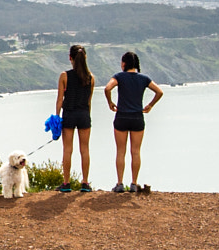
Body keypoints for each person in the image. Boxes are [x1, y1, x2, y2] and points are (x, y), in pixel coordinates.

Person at [103, 50, 164, 192]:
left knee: (120, 151)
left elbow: (107, 88)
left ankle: (119, 184)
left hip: (121, 117)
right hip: (137, 117)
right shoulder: (143, 78)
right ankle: (134, 183)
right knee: (135, 151)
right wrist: (150, 105)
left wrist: (110, 102)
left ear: (124, 63)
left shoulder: (119, 77)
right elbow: (159, 92)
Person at [53, 44, 96, 191]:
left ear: (70, 58)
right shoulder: (91, 77)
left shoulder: (64, 76)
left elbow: (60, 99)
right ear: (85, 58)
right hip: (84, 114)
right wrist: (87, 116)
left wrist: (56, 117)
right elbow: (89, 101)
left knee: (67, 150)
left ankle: (66, 183)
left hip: (69, 114)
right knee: (85, 149)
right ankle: (85, 183)